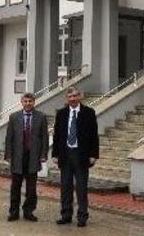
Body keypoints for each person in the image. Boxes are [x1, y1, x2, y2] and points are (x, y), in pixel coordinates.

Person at [52, 87, 98, 227]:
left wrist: (93, 154)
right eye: (70, 96)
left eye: (75, 96)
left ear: (80, 97)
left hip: (81, 155)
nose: (72, 98)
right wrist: (55, 154)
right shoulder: (61, 113)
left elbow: (94, 135)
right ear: (67, 98)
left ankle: (82, 217)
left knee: (81, 188)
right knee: (65, 187)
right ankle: (66, 215)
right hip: (65, 155)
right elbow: (57, 135)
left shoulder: (89, 113)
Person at [4, 93, 48, 222]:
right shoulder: (14, 117)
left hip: (33, 157)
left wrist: (43, 154)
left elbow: (44, 137)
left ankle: (29, 211)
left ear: (34, 102)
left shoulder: (41, 117)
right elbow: (9, 138)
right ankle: (14, 212)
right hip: (18, 157)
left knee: (31, 188)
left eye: (30, 101)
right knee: (15, 187)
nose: (28, 103)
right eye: (25, 101)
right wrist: (8, 155)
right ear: (21, 102)